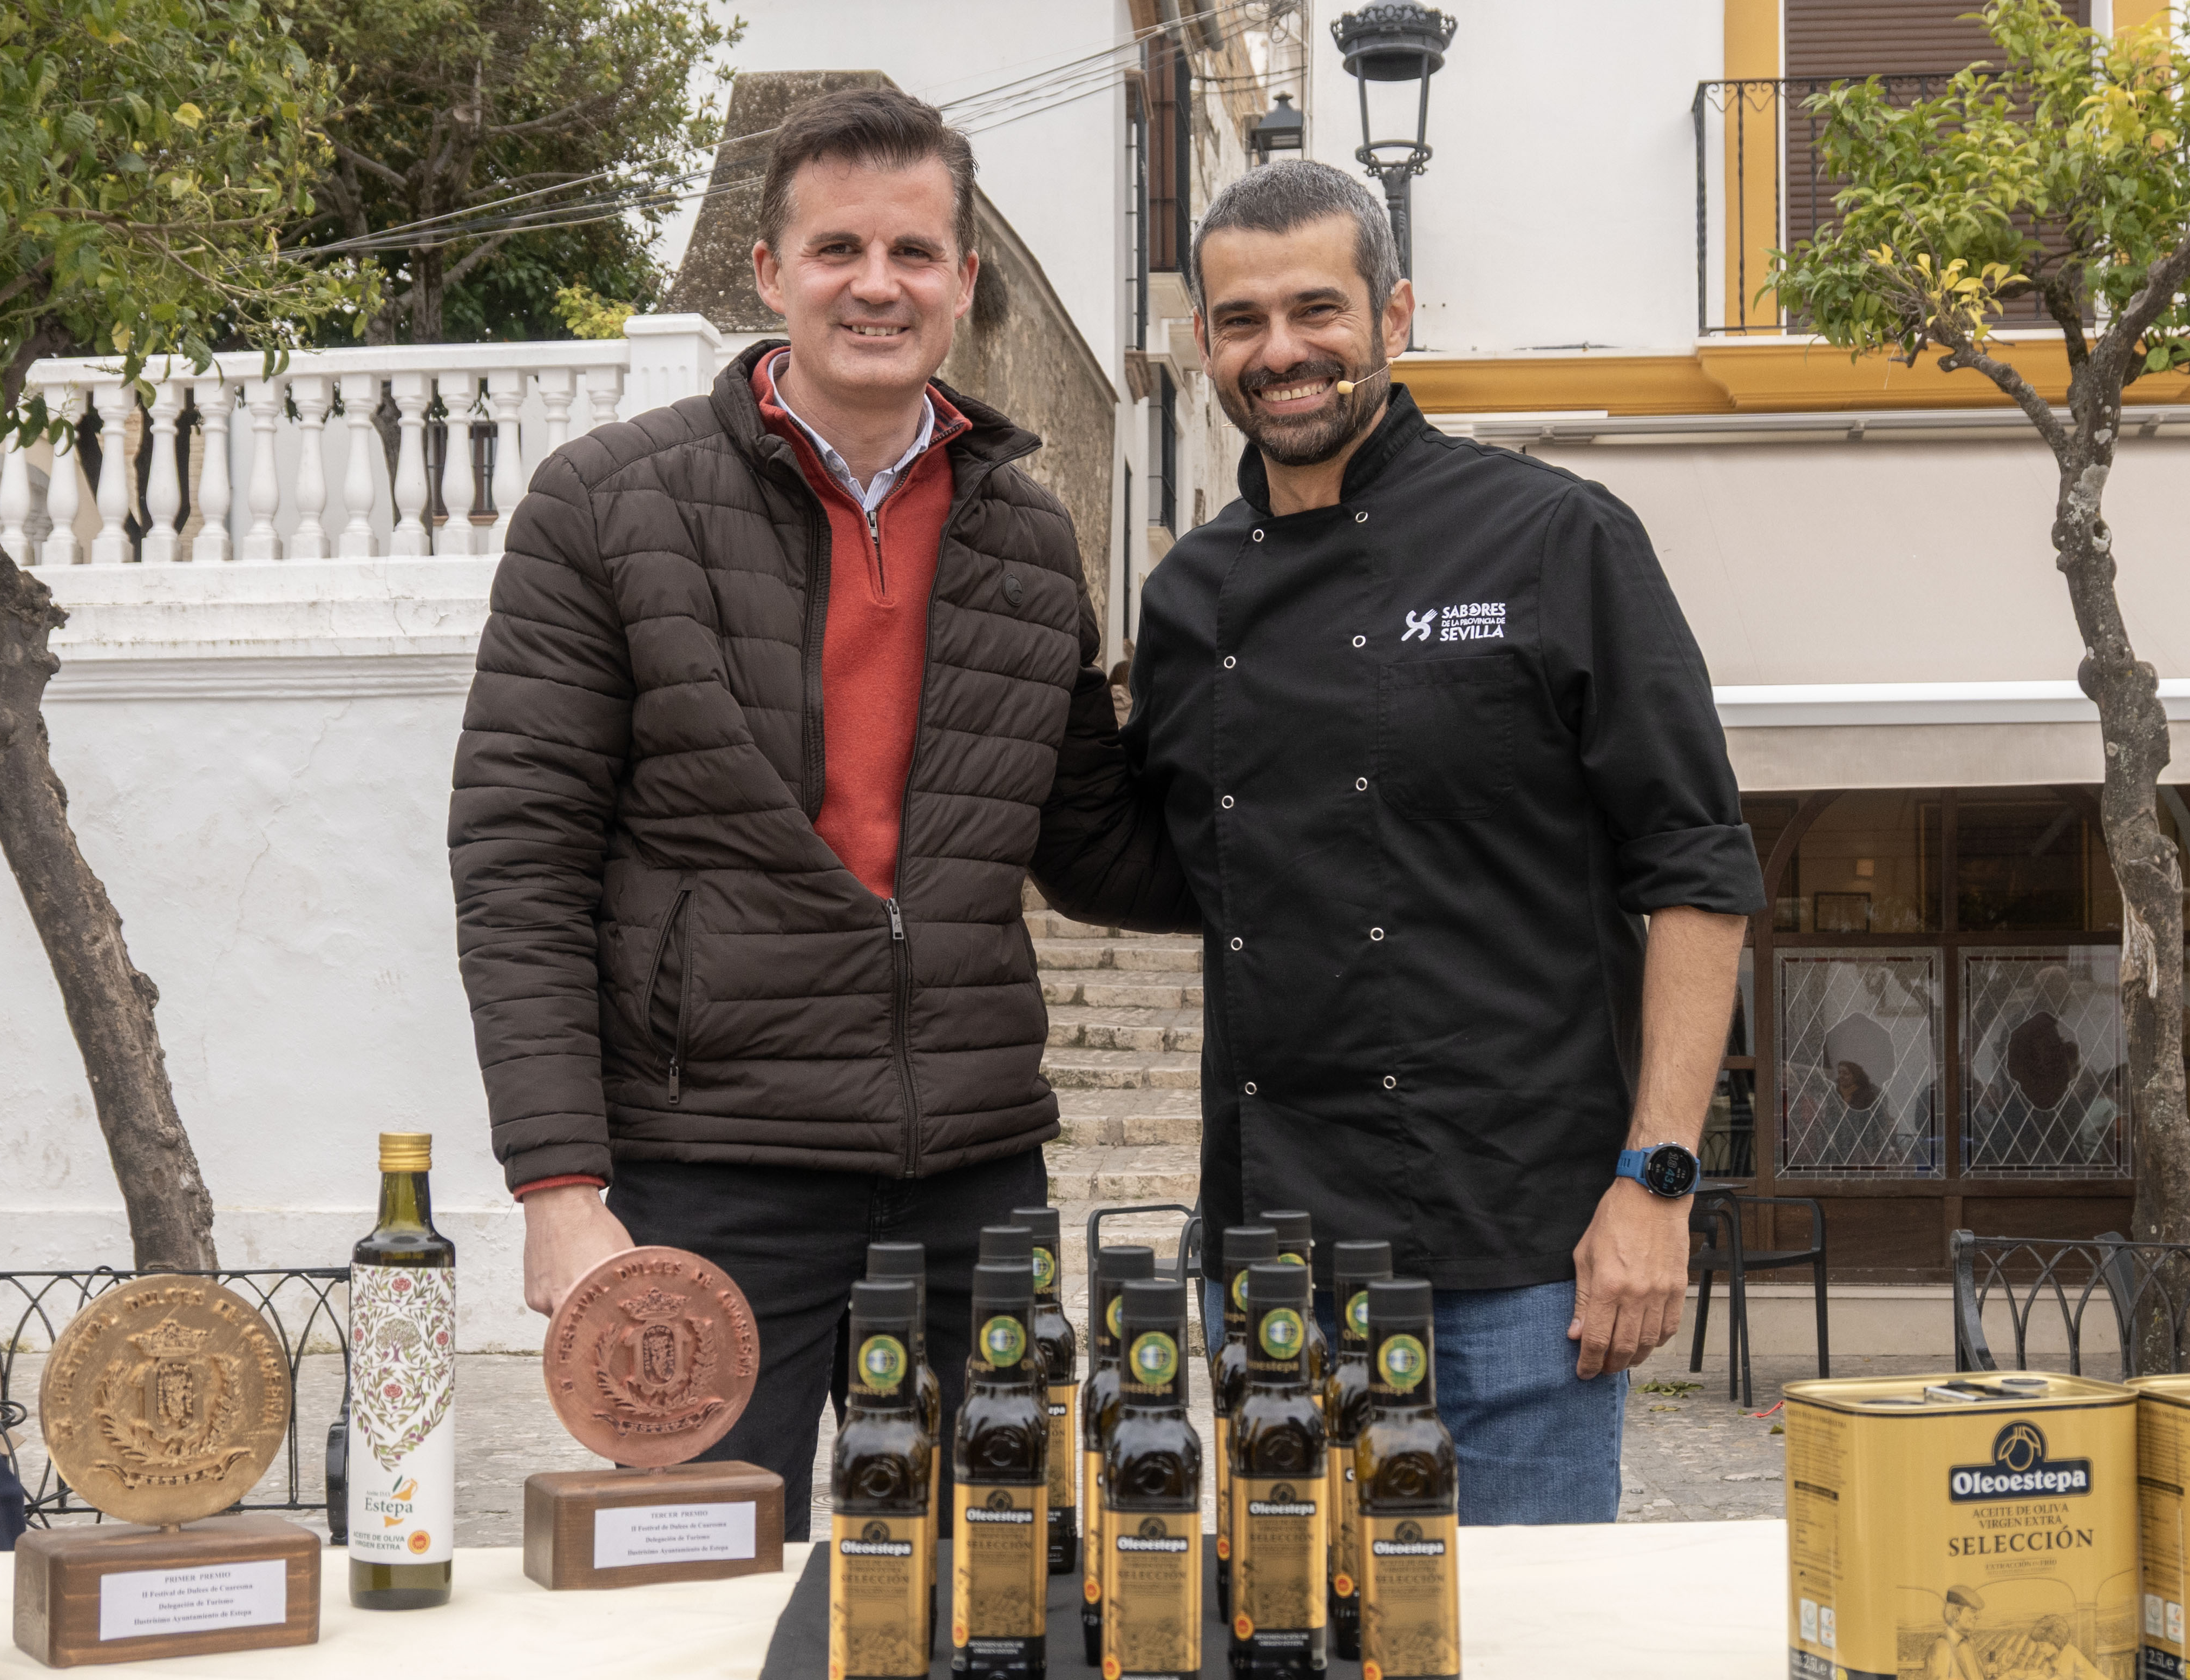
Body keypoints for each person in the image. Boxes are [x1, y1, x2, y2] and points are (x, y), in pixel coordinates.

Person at [448, 87, 1186, 1539]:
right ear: (769, 272)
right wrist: (559, 1184)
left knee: (995, 1597)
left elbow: (1093, 841)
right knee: (696, 1596)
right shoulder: (605, 506)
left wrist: (1332, 824)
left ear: (963, 282)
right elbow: (520, 863)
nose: (876, 284)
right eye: (838, 247)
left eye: (913, 252)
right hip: (712, 1170)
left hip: (974, 1175)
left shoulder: (1031, 537)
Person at [1118, 160, 1762, 1524]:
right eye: (1241, 322)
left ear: (1395, 316)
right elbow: (1165, 862)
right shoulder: (1186, 597)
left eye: (1317, 310)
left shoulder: (1554, 536)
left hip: (1522, 1263)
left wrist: (1657, 1182)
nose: (1281, 352)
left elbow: (1696, 865)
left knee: (1531, 1647)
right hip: (1277, 1268)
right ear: (1205, 347)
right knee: (1295, 1637)